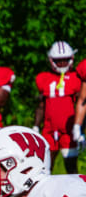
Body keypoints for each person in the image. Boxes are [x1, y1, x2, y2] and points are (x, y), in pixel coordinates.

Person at [34, 41, 81, 174]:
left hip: (68, 129)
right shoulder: (44, 78)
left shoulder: (76, 78)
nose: (61, 64)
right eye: (58, 60)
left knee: (71, 167)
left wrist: (80, 127)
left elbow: (81, 104)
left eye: (65, 60)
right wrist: (36, 126)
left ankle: (77, 193)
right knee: (45, 166)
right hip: (49, 129)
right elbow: (41, 105)